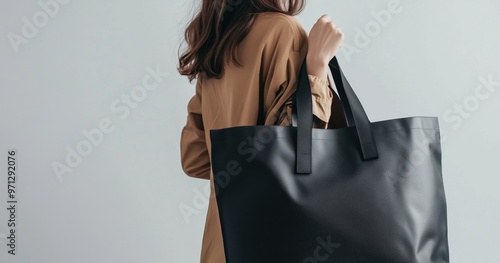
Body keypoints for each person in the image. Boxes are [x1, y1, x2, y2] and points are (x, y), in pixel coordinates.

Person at [178, 0, 345, 262]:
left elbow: (195, 159)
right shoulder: (283, 31)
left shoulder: (219, 40)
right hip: (277, 243)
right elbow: (295, 158)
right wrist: (317, 68)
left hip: (223, 244)